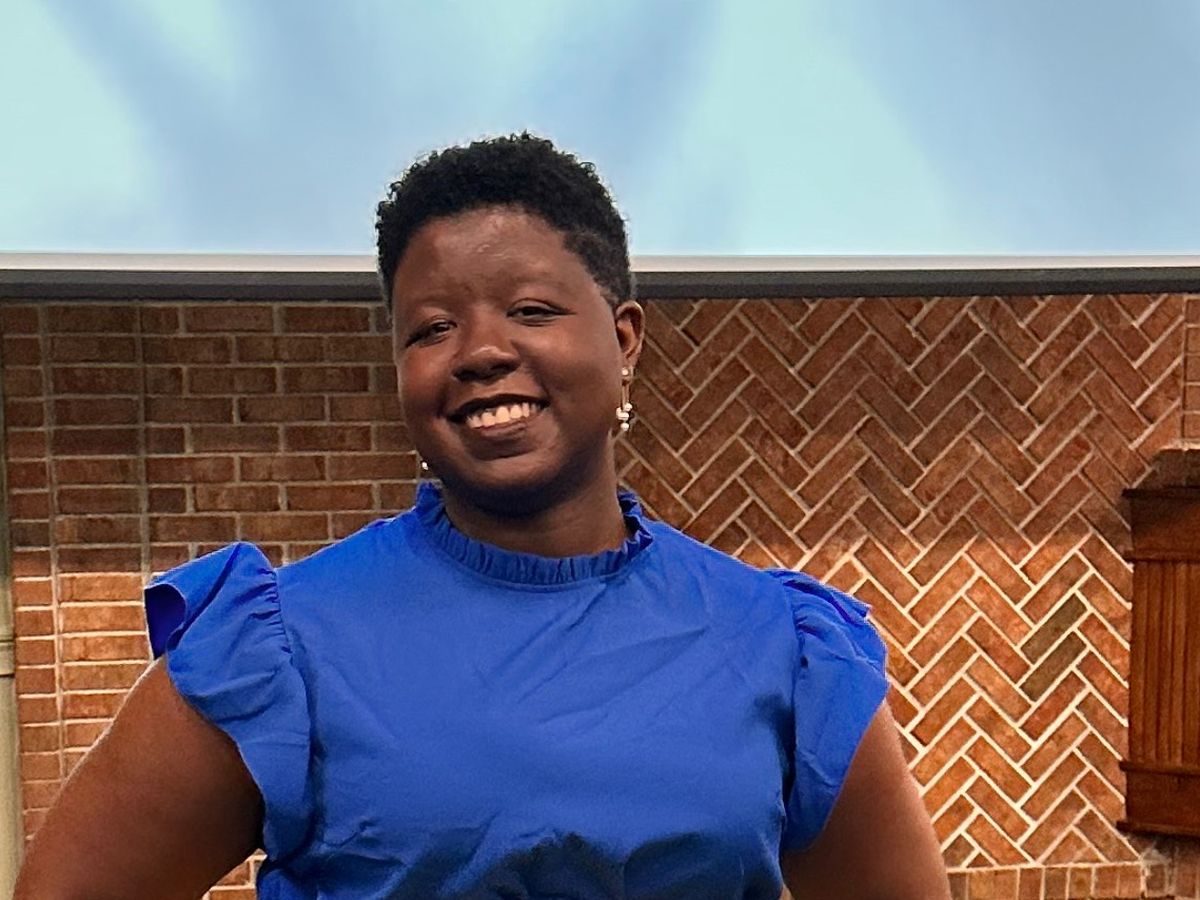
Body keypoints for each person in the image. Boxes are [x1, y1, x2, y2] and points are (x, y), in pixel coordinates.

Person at [15, 134, 950, 899]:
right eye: (431, 329)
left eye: (531, 310)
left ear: (624, 339)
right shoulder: (283, 647)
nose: (480, 351)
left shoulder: (779, 643)